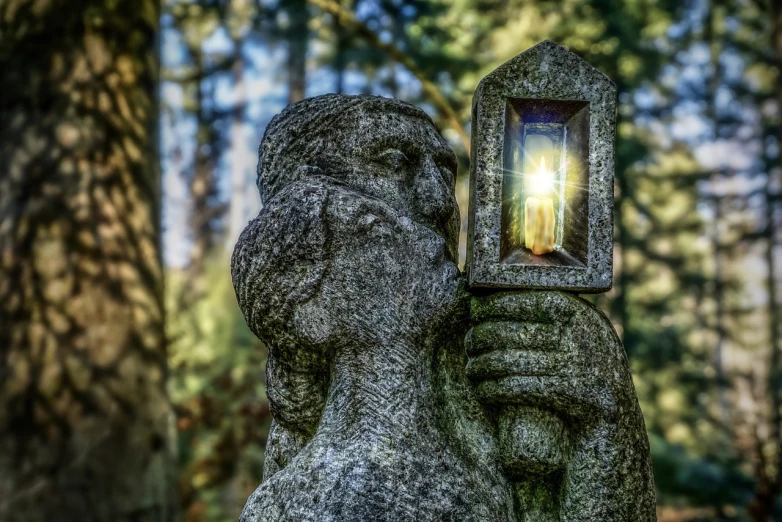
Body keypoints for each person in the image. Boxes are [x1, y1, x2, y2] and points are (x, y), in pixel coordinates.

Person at [231, 94, 654, 521]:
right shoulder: (306, 468)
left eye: (446, 173)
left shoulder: (503, 355)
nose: (440, 201)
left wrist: (606, 413)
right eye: (394, 162)